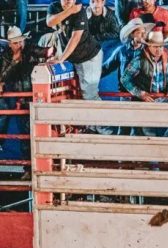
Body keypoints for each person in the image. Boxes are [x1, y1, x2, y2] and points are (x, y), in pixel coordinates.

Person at [0, 27, 51, 155]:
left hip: (34, 93)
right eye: (16, 42)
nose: (19, 45)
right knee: (23, 128)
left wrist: (51, 54)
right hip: (18, 95)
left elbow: (46, 51)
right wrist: (14, 62)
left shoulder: (30, 48)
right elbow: (3, 77)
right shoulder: (5, 55)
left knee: (33, 127)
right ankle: (27, 160)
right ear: (10, 44)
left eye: (21, 41)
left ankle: (32, 159)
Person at [121, 29, 168, 137]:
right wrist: (139, 93)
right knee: (148, 131)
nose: (158, 50)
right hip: (147, 100)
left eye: (161, 46)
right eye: (155, 46)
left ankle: (165, 142)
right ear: (149, 46)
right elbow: (125, 78)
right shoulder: (139, 60)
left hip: (164, 98)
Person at [46, 0, 103, 102]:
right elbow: (50, 22)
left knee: (90, 96)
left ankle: (103, 113)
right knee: (72, 95)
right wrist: (70, 11)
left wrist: (61, 59)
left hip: (89, 56)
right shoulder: (54, 6)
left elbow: (75, 38)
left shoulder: (80, 9)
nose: (68, 1)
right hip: (72, 57)